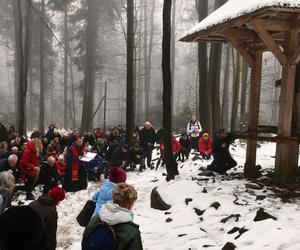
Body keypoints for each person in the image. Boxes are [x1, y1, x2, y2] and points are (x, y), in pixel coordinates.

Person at [82, 183, 143, 250]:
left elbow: (85, 241)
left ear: (113, 199)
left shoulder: (96, 218)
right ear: (131, 204)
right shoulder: (132, 233)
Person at [20, 136, 43, 200]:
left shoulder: (36, 150)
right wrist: (34, 167)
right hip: (28, 170)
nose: (40, 144)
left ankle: (29, 193)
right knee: (30, 183)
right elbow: (24, 163)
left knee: (33, 183)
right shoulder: (28, 151)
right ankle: (28, 195)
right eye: (39, 143)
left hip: (34, 170)